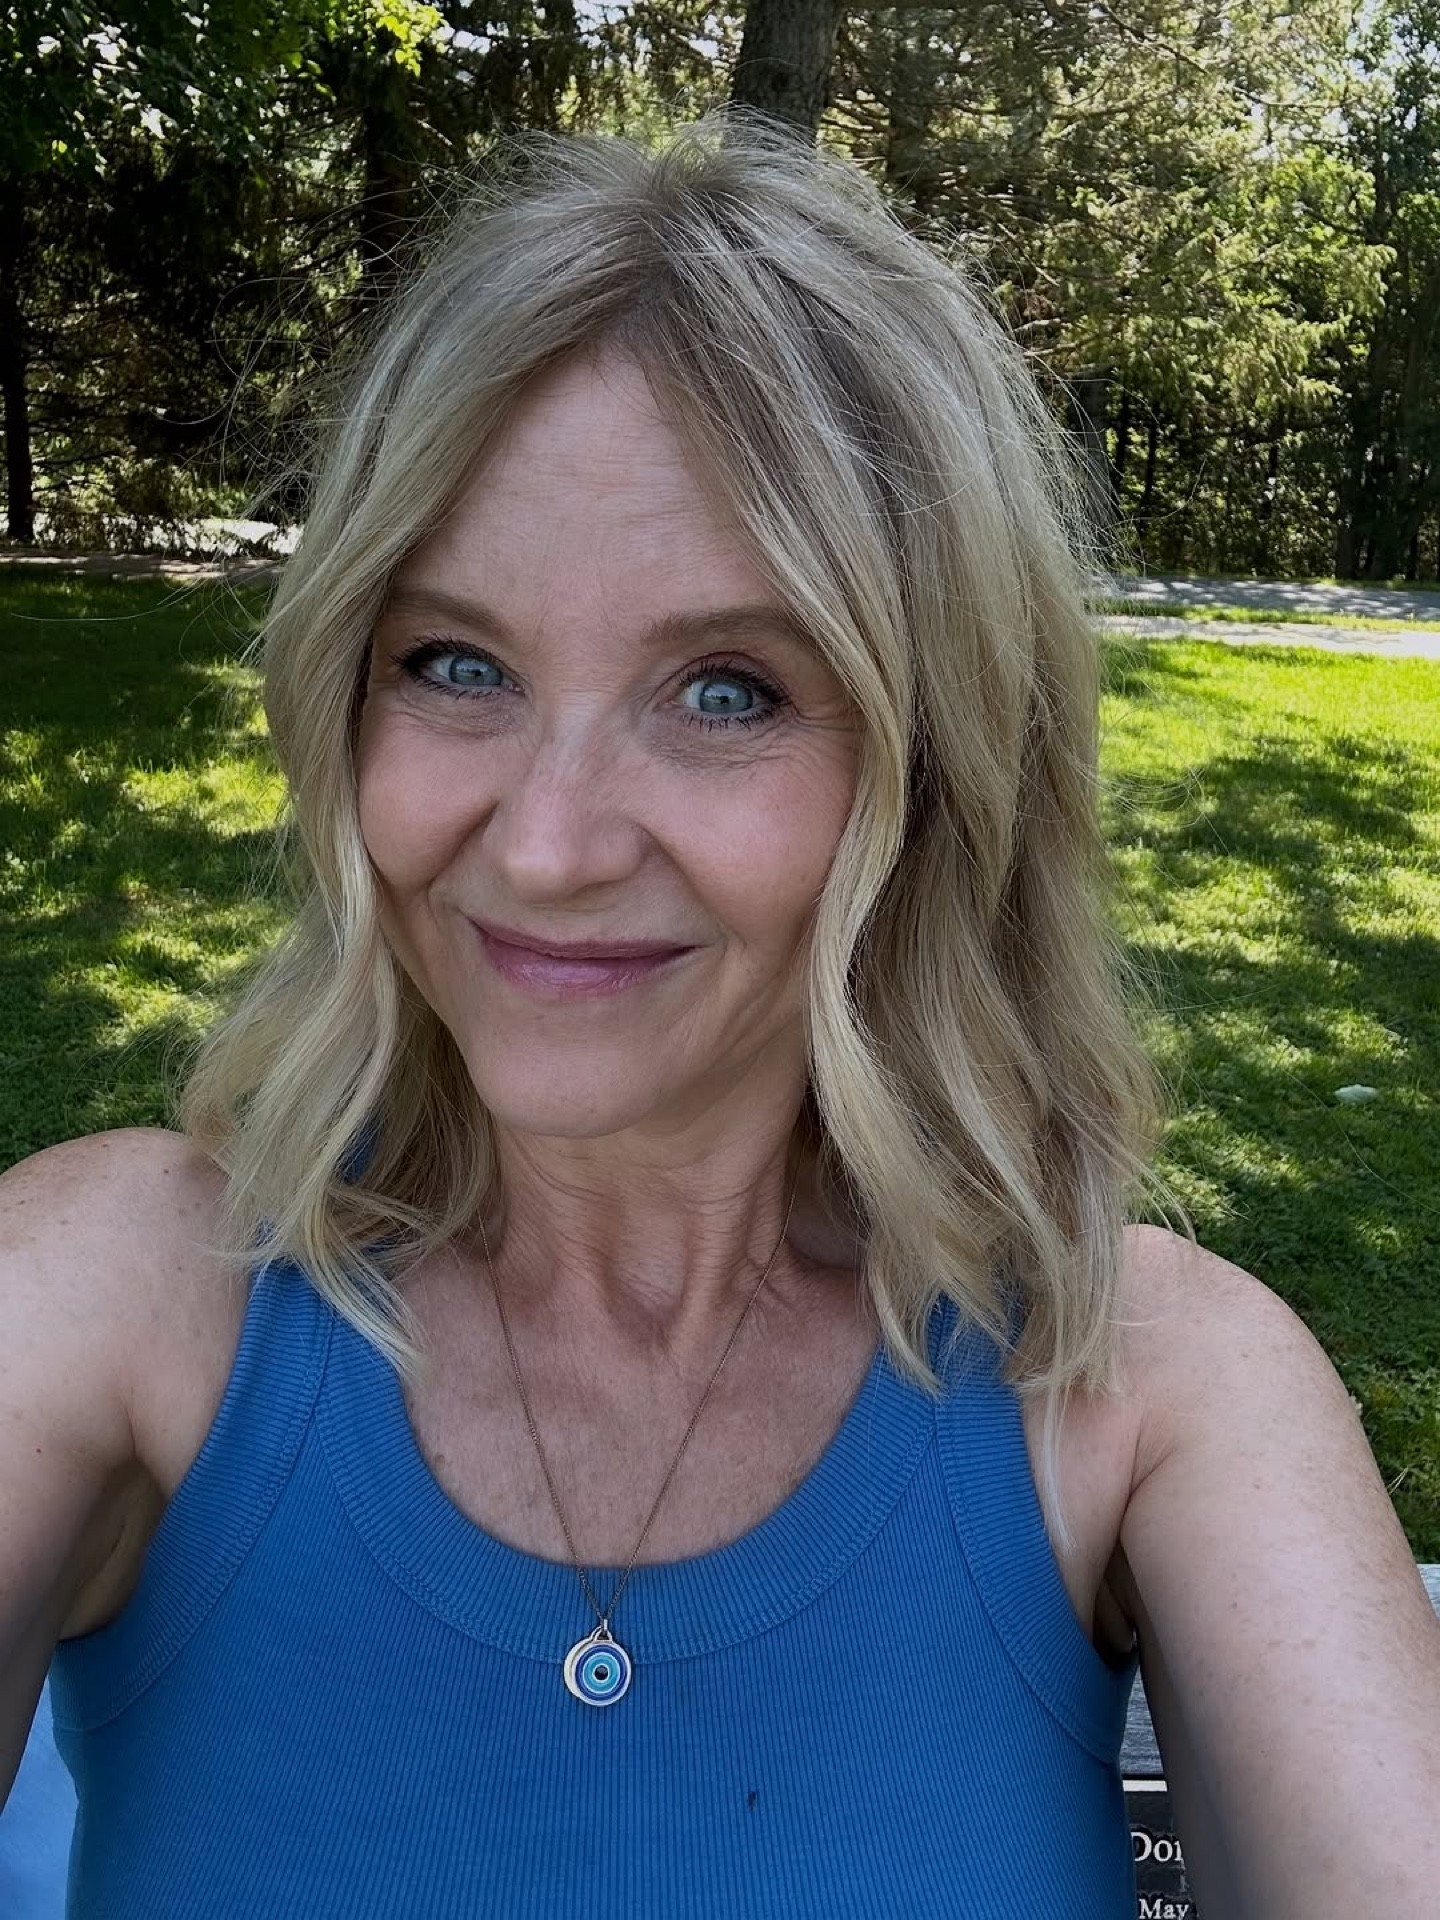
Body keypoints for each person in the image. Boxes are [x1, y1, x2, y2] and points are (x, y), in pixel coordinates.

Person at [2, 111, 1437, 1919]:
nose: (546, 845)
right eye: (456, 664)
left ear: (935, 768)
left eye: (727, 691)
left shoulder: (1140, 1385)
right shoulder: (122, 1297)